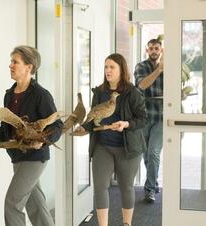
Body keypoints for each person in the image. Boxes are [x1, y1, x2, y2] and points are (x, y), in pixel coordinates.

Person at [0, 45, 63, 226]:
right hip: (17, 156)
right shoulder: (9, 95)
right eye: (11, 61)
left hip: (35, 157)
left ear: (29, 67)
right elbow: (5, 129)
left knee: (12, 204)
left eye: (15, 62)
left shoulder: (41, 95)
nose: (10, 65)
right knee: (36, 206)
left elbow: (57, 125)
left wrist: (42, 143)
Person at [77, 53, 147, 226]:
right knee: (100, 187)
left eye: (112, 67)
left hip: (127, 148)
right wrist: (84, 128)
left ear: (121, 69)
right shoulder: (99, 92)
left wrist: (126, 123)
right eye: (106, 67)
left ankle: (126, 223)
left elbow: (143, 119)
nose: (108, 70)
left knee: (126, 187)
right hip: (103, 146)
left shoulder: (132, 92)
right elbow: (94, 116)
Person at [134, 38, 163, 202]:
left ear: (161, 50)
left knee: (153, 153)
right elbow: (142, 85)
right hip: (144, 117)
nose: (153, 51)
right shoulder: (141, 66)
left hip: (161, 117)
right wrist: (159, 70)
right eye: (151, 48)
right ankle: (154, 182)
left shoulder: (169, 67)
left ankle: (149, 189)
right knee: (146, 156)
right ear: (147, 50)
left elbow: (174, 90)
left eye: (156, 48)